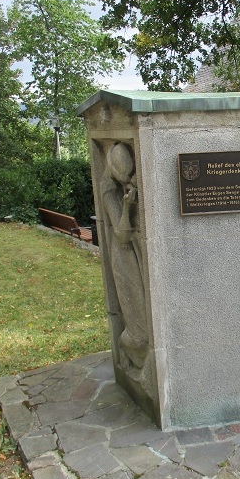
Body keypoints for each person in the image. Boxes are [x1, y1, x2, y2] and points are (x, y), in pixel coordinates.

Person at [99, 142, 150, 369]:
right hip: (123, 256)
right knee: (140, 330)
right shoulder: (109, 191)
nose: (127, 181)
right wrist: (127, 206)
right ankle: (124, 345)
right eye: (124, 177)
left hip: (136, 253)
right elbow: (121, 235)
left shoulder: (123, 181)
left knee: (146, 323)